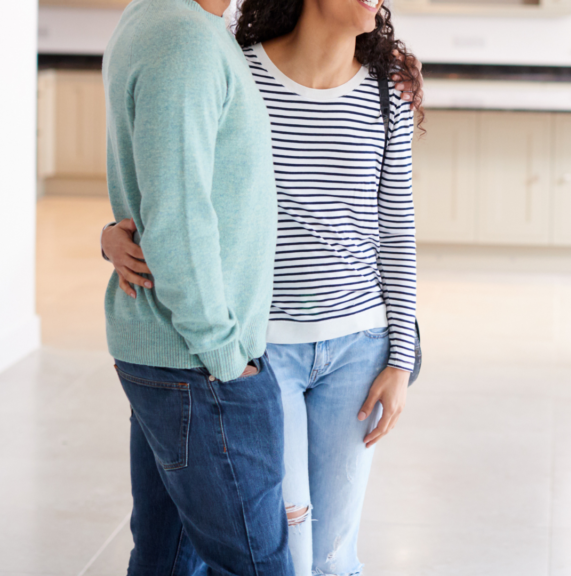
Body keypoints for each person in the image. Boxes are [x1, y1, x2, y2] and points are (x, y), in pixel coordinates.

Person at [103, 0, 422, 573]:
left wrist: (402, 359)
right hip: (262, 346)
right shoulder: (232, 63)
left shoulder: (385, 92)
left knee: (332, 553)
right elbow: (174, 179)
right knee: (286, 549)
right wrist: (113, 233)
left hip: (357, 345)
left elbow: (396, 229)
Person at [102, 0, 292, 572]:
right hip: (198, 361)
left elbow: (157, 180)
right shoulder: (184, 38)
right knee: (255, 562)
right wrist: (226, 357)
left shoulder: (160, 20)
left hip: (175, 355)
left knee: (164, 558)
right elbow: (179, 215)